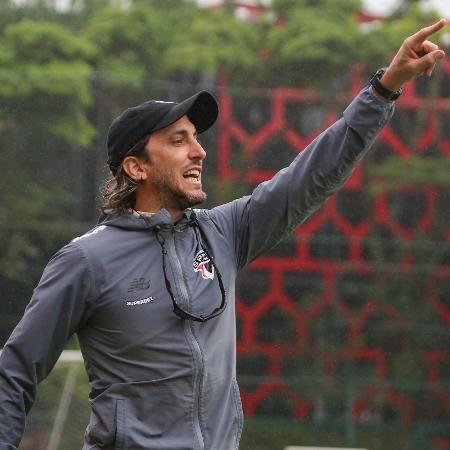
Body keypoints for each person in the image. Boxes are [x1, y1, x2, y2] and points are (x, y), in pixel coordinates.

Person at [0, 18, 446, 450]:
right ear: (136, 167)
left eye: (196, 138)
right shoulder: (85, 260)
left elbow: (313, 174)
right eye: (178, 141)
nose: (199, 150)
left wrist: (384, 89)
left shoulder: (224, 233)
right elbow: (15, 371)